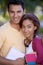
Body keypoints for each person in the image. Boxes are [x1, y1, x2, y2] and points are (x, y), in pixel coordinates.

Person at [0, 0, 26, 65]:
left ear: (24, 11)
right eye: (12, 12)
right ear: (8, 12)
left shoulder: (27, 29)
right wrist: (12, 62)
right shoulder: (2, 31)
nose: (15, 16)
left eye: (18, 12)